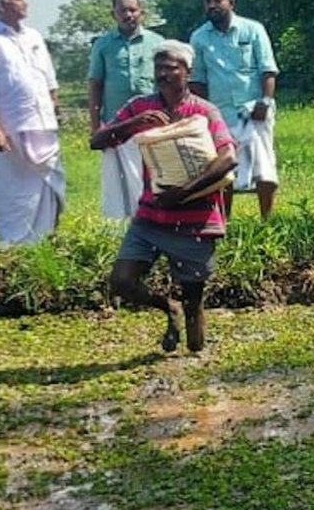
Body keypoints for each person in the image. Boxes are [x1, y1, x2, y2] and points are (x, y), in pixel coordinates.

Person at [90, 40, 236, 353]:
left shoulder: (204, 110)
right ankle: (169, 308)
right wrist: (134, 124)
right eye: (158, 68)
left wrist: (183, 193)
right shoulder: (141, 107)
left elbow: (228, 159)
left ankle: (195, 356)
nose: (163, 74)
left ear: (187, 72)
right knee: (122, 281)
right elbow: (97, 141)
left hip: (195, 221)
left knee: (195, 310)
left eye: (171, 68)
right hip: (151, 217)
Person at [0, 0, 64, 248]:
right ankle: (15, 244)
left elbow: (49, 81)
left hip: (44, 124)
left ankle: (46, 240)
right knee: (15, 190)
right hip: (14, 128)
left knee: (50, 184)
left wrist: (54, 110)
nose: (26, 3)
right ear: (2, 6)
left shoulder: (34, 36)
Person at [188, 0, 278, 219]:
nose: (212, 5)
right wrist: (204, 114)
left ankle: (266, 221)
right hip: (220, 114)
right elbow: (197, 80)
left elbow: (268, 70)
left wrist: (265, 102)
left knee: (264, 169)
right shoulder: (199, 38)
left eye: (217, 0)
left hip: (255, 110)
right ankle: (223, 222)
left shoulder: (252, 29)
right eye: (208, 1)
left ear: (231, 2)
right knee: (223, 170)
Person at [88, 0, 163, 220]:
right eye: (123, 10)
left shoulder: (157, 43)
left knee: (153, 173)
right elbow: (95, 84)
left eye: (133, 10)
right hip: (116, 124)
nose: (128, 15)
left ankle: (154, 219)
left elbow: (166, 80)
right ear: (114, 14)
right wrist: (95, 127)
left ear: (142, 12)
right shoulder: (103, 45)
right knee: (118, 179)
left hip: (153, 123)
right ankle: (121, 226)